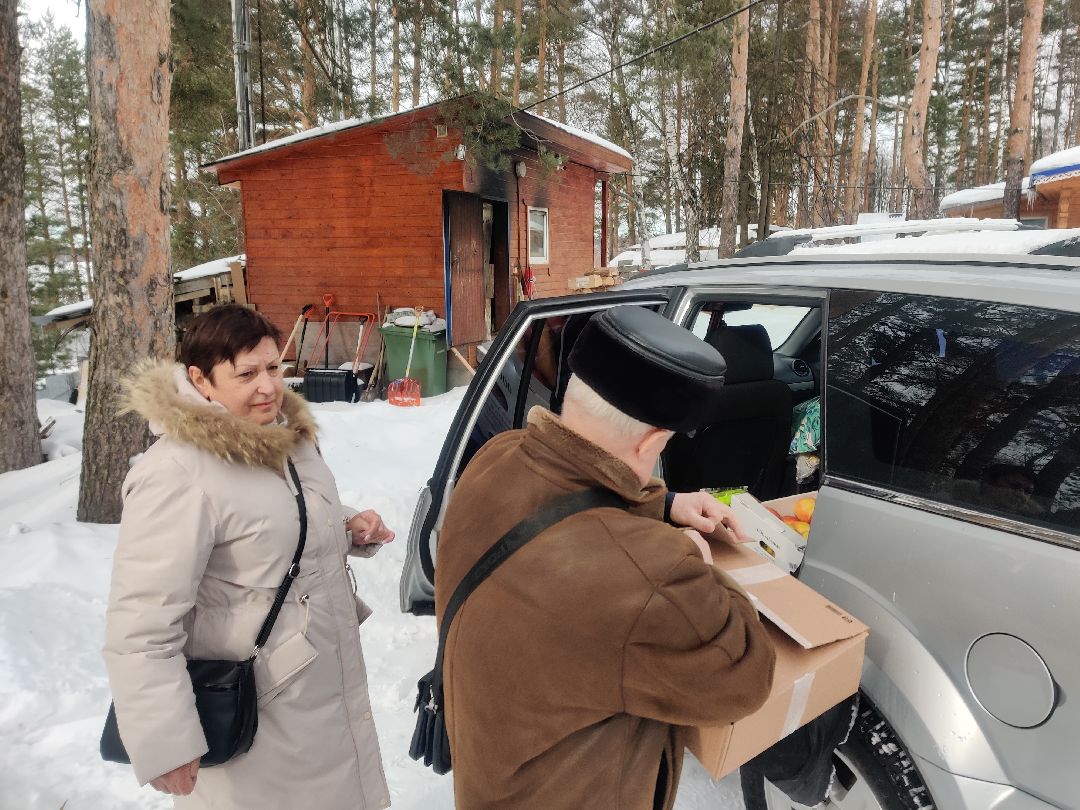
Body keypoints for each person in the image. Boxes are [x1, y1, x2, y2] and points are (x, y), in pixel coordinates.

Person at [436, 305, 777, 809]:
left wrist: (665, 503)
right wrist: (695, 561)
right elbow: (746, 675)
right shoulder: (651, 577)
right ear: (654, 441)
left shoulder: (499, 458)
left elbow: (572, 491)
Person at [103, 304, 393, 808]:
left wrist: (344, 526)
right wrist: (166, 743)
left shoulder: (287, 438)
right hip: (253, 717)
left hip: (323, 695)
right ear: (201, 380)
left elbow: (269, 523)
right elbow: (141, 626)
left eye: (273, 368)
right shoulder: (176, 472)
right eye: (246, 374)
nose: (268, 387)